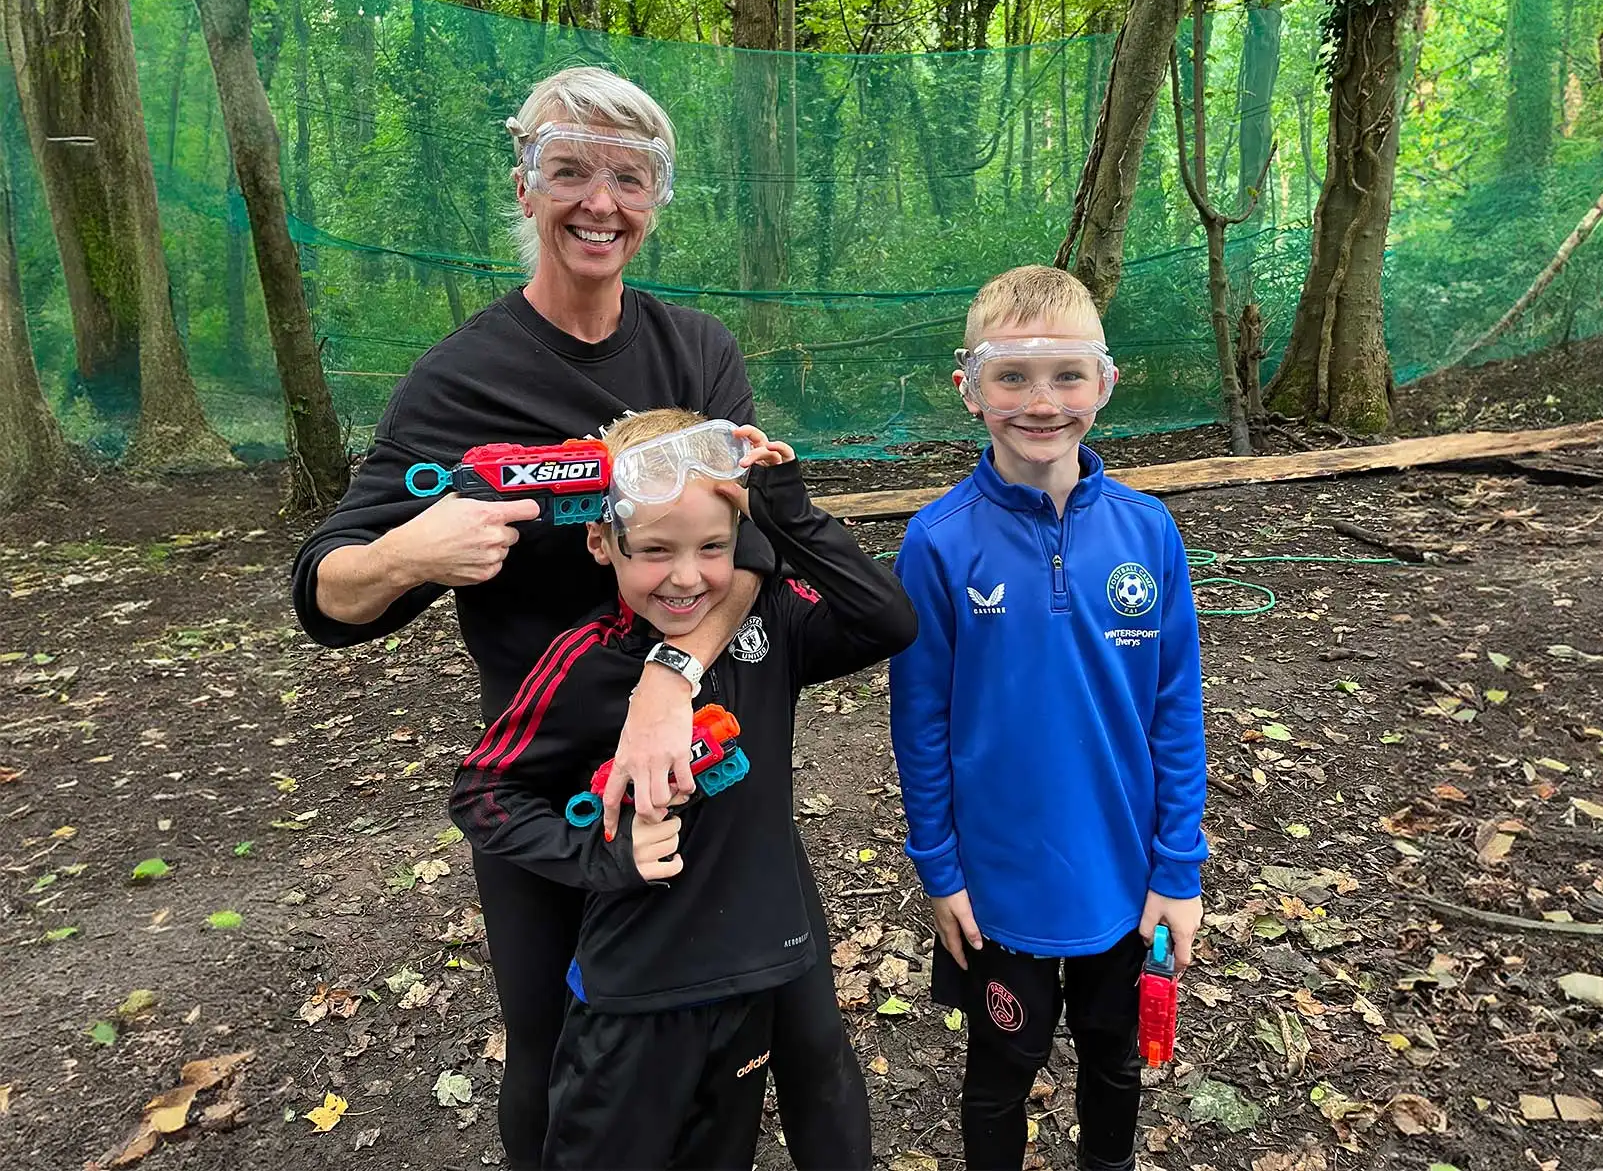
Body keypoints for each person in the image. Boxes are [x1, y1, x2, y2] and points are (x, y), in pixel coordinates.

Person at [290, 68, 871, 1169]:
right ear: (525, 184)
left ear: (656, 198)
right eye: (569, 171)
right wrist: (413, 553)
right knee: (554, 1053)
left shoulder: (697, 352)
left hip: (713, 761)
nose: (600, 201)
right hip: (548, 790)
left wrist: (669, 680)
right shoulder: (461, 381)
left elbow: (748, 551)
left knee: (802, 1034)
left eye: (629, 176)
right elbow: (326, 590)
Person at [451, 409, 917, 1169]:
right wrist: (600, 854)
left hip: (746, 980)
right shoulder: (586, 661)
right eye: (655, 550)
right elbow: (483, 792)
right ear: (602, 543)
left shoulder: (769, 621)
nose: (687, 576)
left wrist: (788, 510)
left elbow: (888, 619)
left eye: (712, 547)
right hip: (633, 994)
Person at [887, 264, 1209, 1171]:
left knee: (1117, 1060)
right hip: (998, 887)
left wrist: (1177, 869)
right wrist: (940, 869)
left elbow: (1176, 710)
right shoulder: (938, 541)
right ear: (969, 388)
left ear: (1106, 383)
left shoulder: (1149, 532)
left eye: (1068, 374)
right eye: (1012, 376)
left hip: (1126, 880)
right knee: (1000, 1070)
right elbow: (920, 724)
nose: (1041, 402)